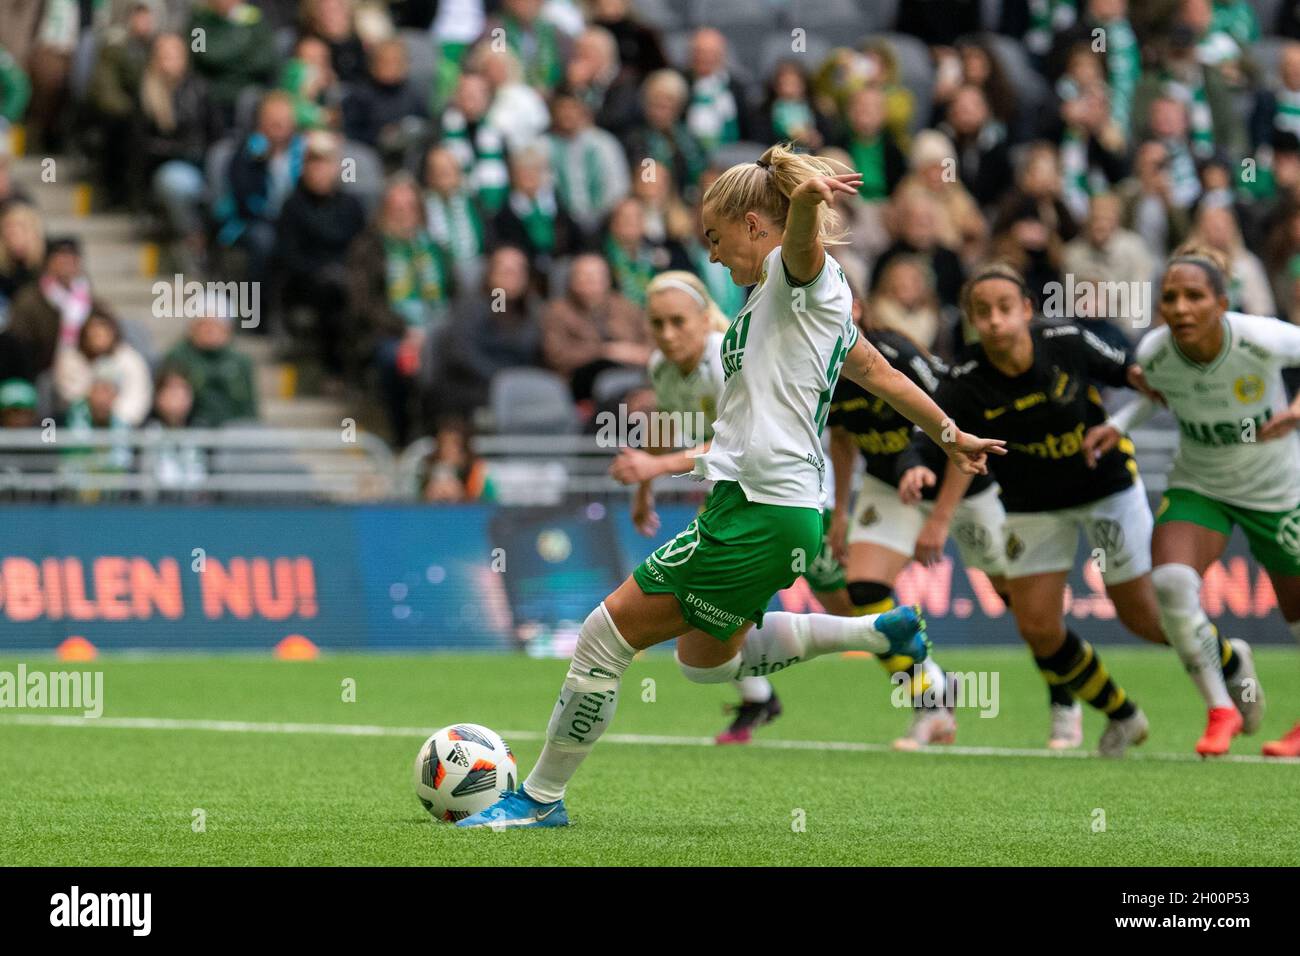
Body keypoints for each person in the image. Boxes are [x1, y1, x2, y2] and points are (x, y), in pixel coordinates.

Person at [456, 144, 1003, 828]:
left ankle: (538, 799)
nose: (712, 256)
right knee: (704, 660)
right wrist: (950, 431)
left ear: (753, 223)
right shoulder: (785, 311)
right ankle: (877, 635)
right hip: (776, 508)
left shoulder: (791, 275)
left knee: (602, 637)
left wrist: (804, 200)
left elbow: (799, 244)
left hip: (760, 508)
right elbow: (885, 377)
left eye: (715, 238)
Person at [934, 261, 1250, 754]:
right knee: (1037, 627)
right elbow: (934, 432)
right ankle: (1122, 714)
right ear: (971, 320)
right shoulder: (965, 378)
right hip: (1030, 504)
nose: (993, 320)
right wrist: (919, 469)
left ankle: (1230, 660)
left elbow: (1128, 369)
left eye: (1003, 308)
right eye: (981, 312)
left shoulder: (1065, 339)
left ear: (1026, 310)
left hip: (1105, 488)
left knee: (1145, 620)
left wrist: (1149, 383)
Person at [607, 270, 852, 745]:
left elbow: (734, 440)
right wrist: (643, 491)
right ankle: (760, 696)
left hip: (790, 491)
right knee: (708, 604)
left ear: (704, 318)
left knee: (844, 598)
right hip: (740, 498)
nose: (667, 334)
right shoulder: (662, 366)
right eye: (657, 324)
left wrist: (653, 473)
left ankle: (920, 674)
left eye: (678, 321)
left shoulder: (726, 359)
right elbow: (665, 423)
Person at [1085, 248, 1295, 756]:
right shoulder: (1156, 351)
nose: (1180, 308)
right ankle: (1221, 707)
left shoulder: (1259, 337)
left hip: (1277, 493)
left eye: (1194, 297)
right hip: (1201, 487)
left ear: (1222, 303)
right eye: (1170, 298)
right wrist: (1117, 425)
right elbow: (1157, 393)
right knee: (1172, 582)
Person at [827, 298, 1011, 750]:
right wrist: (841, 509)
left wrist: (940, 520)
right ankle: (931, 698)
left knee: (1021, 599)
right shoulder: (815, 366)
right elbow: (843, 437)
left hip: (960, 479)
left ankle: (1064, 699)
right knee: (864, 592)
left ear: (857, 308)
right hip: (890, 486)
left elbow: (958, 433)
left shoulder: (893, 355)